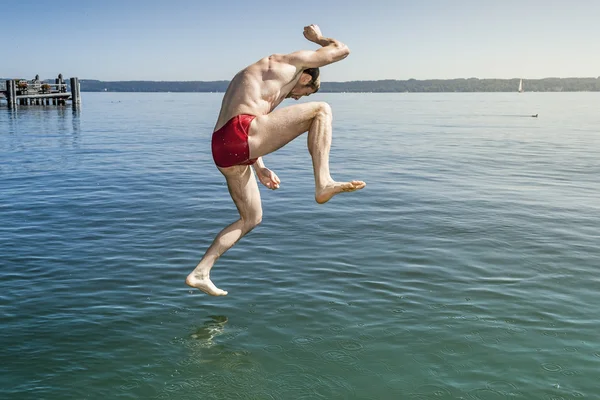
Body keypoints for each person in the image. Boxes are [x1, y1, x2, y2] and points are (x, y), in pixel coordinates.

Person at [186, 24, 366, 296]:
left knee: (252, 217)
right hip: (240, 132)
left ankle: (201, 272)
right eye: (300, 94)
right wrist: (319, 39)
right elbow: (342, 50)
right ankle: (323, 182)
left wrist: (259, 167)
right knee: (321, 110)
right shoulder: (291, 63)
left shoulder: (260, 77)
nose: (294, 98)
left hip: (224, 147)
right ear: (306, 79)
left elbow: (250, 122)